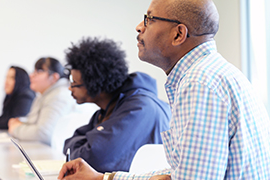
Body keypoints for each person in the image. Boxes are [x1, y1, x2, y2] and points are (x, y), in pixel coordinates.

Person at [58, 0, 270, 179]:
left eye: (149, 19)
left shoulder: (199, 83)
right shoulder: (209, 74)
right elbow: (179, 174)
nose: (139, 26)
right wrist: (103, 177)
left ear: (178, 34)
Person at [62, 37, 171, 173]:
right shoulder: (109, 109)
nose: (70, 88)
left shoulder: (138, 109)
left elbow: (90, 160)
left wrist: (87, 144)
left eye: (74, 83)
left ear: (96, 82)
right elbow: (69, 146)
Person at [8, 57, 76, 146]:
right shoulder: (45, 94)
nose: (31, 75)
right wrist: (21, 122)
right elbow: (37, 123)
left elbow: (44, 134)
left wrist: (16, 129)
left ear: (54, 77)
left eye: (38, 71)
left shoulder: (58, 96)